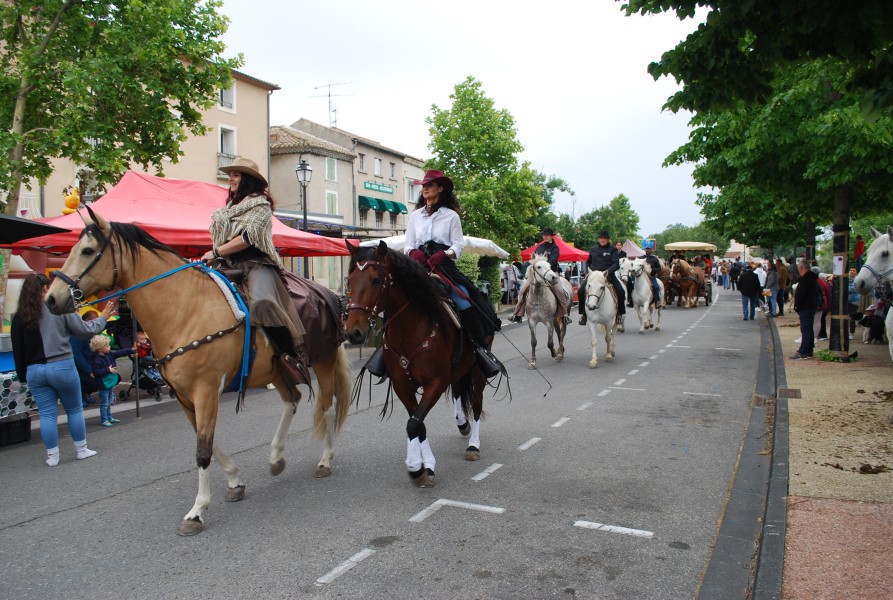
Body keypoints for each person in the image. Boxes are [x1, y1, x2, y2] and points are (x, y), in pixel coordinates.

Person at [201, 157, 309, 390]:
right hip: (227, 265)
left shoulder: (261, 206)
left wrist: (215, 252)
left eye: (236, 174)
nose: (230, 178)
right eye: (230, 174)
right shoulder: (227, 211)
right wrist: (216, 255)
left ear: (247, 180)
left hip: (256, 264)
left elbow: (247, 237)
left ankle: (289, 356)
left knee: (263, 303)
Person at [402, 169, 503, 376]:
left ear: (440, 188)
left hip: (443, 265)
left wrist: (445, 254)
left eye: (430, 185)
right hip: (419, 265)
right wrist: (413, 252)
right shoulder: (415, 217)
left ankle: (479, 351)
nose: (425, 188)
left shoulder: (451, 216)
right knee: (395, 299)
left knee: (465, 301)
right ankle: (386, 355)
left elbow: (458, 245)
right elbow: (407, 245)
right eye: (424, 185)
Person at [11, 273, 115, 466]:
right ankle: (81, 449)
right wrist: (103, 318)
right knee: (74, 409)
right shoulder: (60, 309)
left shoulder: (19, 317)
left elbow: (18, 348)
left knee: (47, 413)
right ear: (44, 288)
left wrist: (23, 374)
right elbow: (84, 330)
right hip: (62, 365)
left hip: (34, 370)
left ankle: (52, 456)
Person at [510, 227, 566, 323]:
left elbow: (552, 262)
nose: (545, 237)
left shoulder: (555, 248)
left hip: (550, 273)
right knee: (522, 291)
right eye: (544, 235)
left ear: (552, 236)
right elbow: (533, 260)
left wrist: (543, 266)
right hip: (537, 274)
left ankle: (564, 315)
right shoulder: (539, 247)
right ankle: (518, 314)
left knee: (560, 291)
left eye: (547, 235)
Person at [578, 230, 625, 325]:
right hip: (594, 276)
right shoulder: (593, 249)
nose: (602, 240)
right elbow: (588, 262)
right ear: (598, 239)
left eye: (604, 238)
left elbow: (616, 264)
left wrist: (608, 272)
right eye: (601, 238)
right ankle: (583, 315)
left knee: (621, 291)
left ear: (608, 240)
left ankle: (619, 314)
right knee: (581, 290)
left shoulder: (613, 249)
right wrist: (589, 271)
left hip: (607, 276)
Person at [89, 334, 135, 427]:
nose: (109, 346)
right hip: (103, 384)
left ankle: (109, 417)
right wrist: (108, 370)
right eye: (107, 345)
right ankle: (104, 419)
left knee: (109, 401)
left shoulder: (109, 354)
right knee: (104, 403)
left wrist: (131, 350)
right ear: (101, 349)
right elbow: (96, 372)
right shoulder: (97, 360)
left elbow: (119, 353)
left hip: (109, 382)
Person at [71, 310, 102, 408]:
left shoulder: (91, 334)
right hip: (81, 369)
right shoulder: (78, 335)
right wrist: (89, 370)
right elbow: (77, 355)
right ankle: (80, 395)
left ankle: (85, 393)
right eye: (95, 320)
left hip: (90, 365)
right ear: (88, 321)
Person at [792, 259, 819, 359]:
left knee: (806, 329)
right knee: (808, 328)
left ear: (801, 267)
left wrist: (797, 306)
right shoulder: (812, 278)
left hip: (805, 307)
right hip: (810, 306)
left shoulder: (805, 279)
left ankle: (804, 351)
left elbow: (801, 294)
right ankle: (808, 349)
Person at [815, 268, 831, 341]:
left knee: (820, 320)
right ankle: (821, 334)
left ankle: (822, 334)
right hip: (825, 304)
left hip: (822, 304)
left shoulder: (821, 283)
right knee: (821, 319)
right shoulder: (826, 284)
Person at [847, 267, 860, 340]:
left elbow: (853, 289)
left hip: (854, 301)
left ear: (856, 273)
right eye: (851, 270)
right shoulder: (846, 279)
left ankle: (852, 333)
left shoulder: (857, 280)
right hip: (846, 301)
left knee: (852, 318)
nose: (852, 271)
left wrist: (845, 288)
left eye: (854, 270)